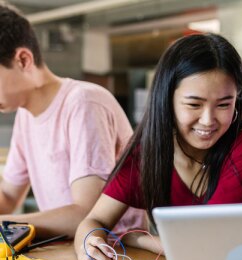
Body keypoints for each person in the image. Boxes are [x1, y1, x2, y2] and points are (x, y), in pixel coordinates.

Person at [74, 33, 242, 260]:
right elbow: (94, 221)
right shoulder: (147, 152)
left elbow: (209, 242)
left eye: (224, 105)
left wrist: (137, 239)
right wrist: (88, 247)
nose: (208, 120)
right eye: (194, 105)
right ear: (167, 100)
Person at [0, 3, 147, 240]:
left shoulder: (83, 102)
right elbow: (8, 195)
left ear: (24, 60)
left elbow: (85, 215)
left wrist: (5, 223)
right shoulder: (25, 116)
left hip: (118, 257)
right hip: (70, 253)